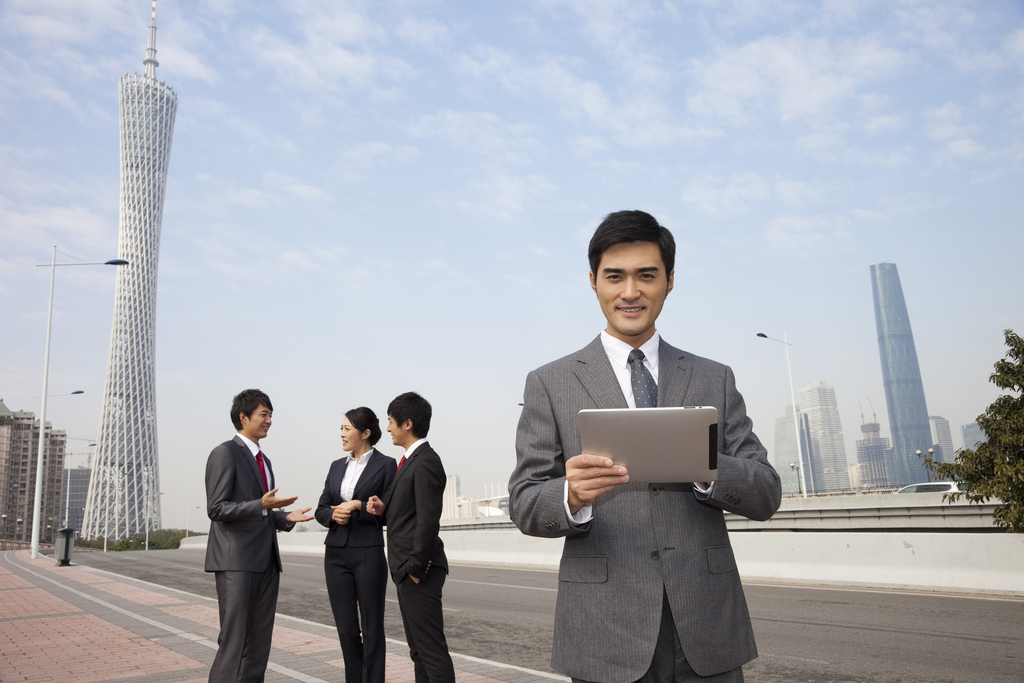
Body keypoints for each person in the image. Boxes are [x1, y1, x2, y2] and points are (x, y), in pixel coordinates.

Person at [508, 211, 782, 683]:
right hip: (605, 631)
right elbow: (525, 501)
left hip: (706, 624)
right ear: (592, 282)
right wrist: (570, 496)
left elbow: (767, 493)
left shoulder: (713, 377)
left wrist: (708, 466)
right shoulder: (549, 383)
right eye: (614, 276)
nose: (630, 292)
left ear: (670, 281)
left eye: (646, 276)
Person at [205, 389, 314, 683]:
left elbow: (262, 513)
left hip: (266, 562)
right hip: (236, 561)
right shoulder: (225, 453)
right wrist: (261, 504)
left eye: (270, 416)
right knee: (234, 642)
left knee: (258, 643)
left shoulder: (265, 461)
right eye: (263, 415)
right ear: (244, 417)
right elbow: (216, 508)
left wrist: (284, 517)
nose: (268, 421)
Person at [365, 392, 455, 683]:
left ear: (407, 423)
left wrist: (415, 570)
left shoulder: (426, 461)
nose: (387, 428)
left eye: (390, 422)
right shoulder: (407, 461)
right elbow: (408, 515)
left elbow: (429, 520)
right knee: (418, 651)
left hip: (418, 571)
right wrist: (383, 511)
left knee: (430, 650)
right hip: (406, 569)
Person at [315, 407, 397, 683]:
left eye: (347, 428)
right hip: (335, 552)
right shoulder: (337, 466)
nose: (341, 433)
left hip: (368, 551)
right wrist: (332, 514)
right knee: (346, 628)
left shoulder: (387, 465)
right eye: (341, 428)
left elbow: (389, 510)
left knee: (372, 627)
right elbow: (321, 508)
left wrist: (362, 506)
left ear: (365, 433)